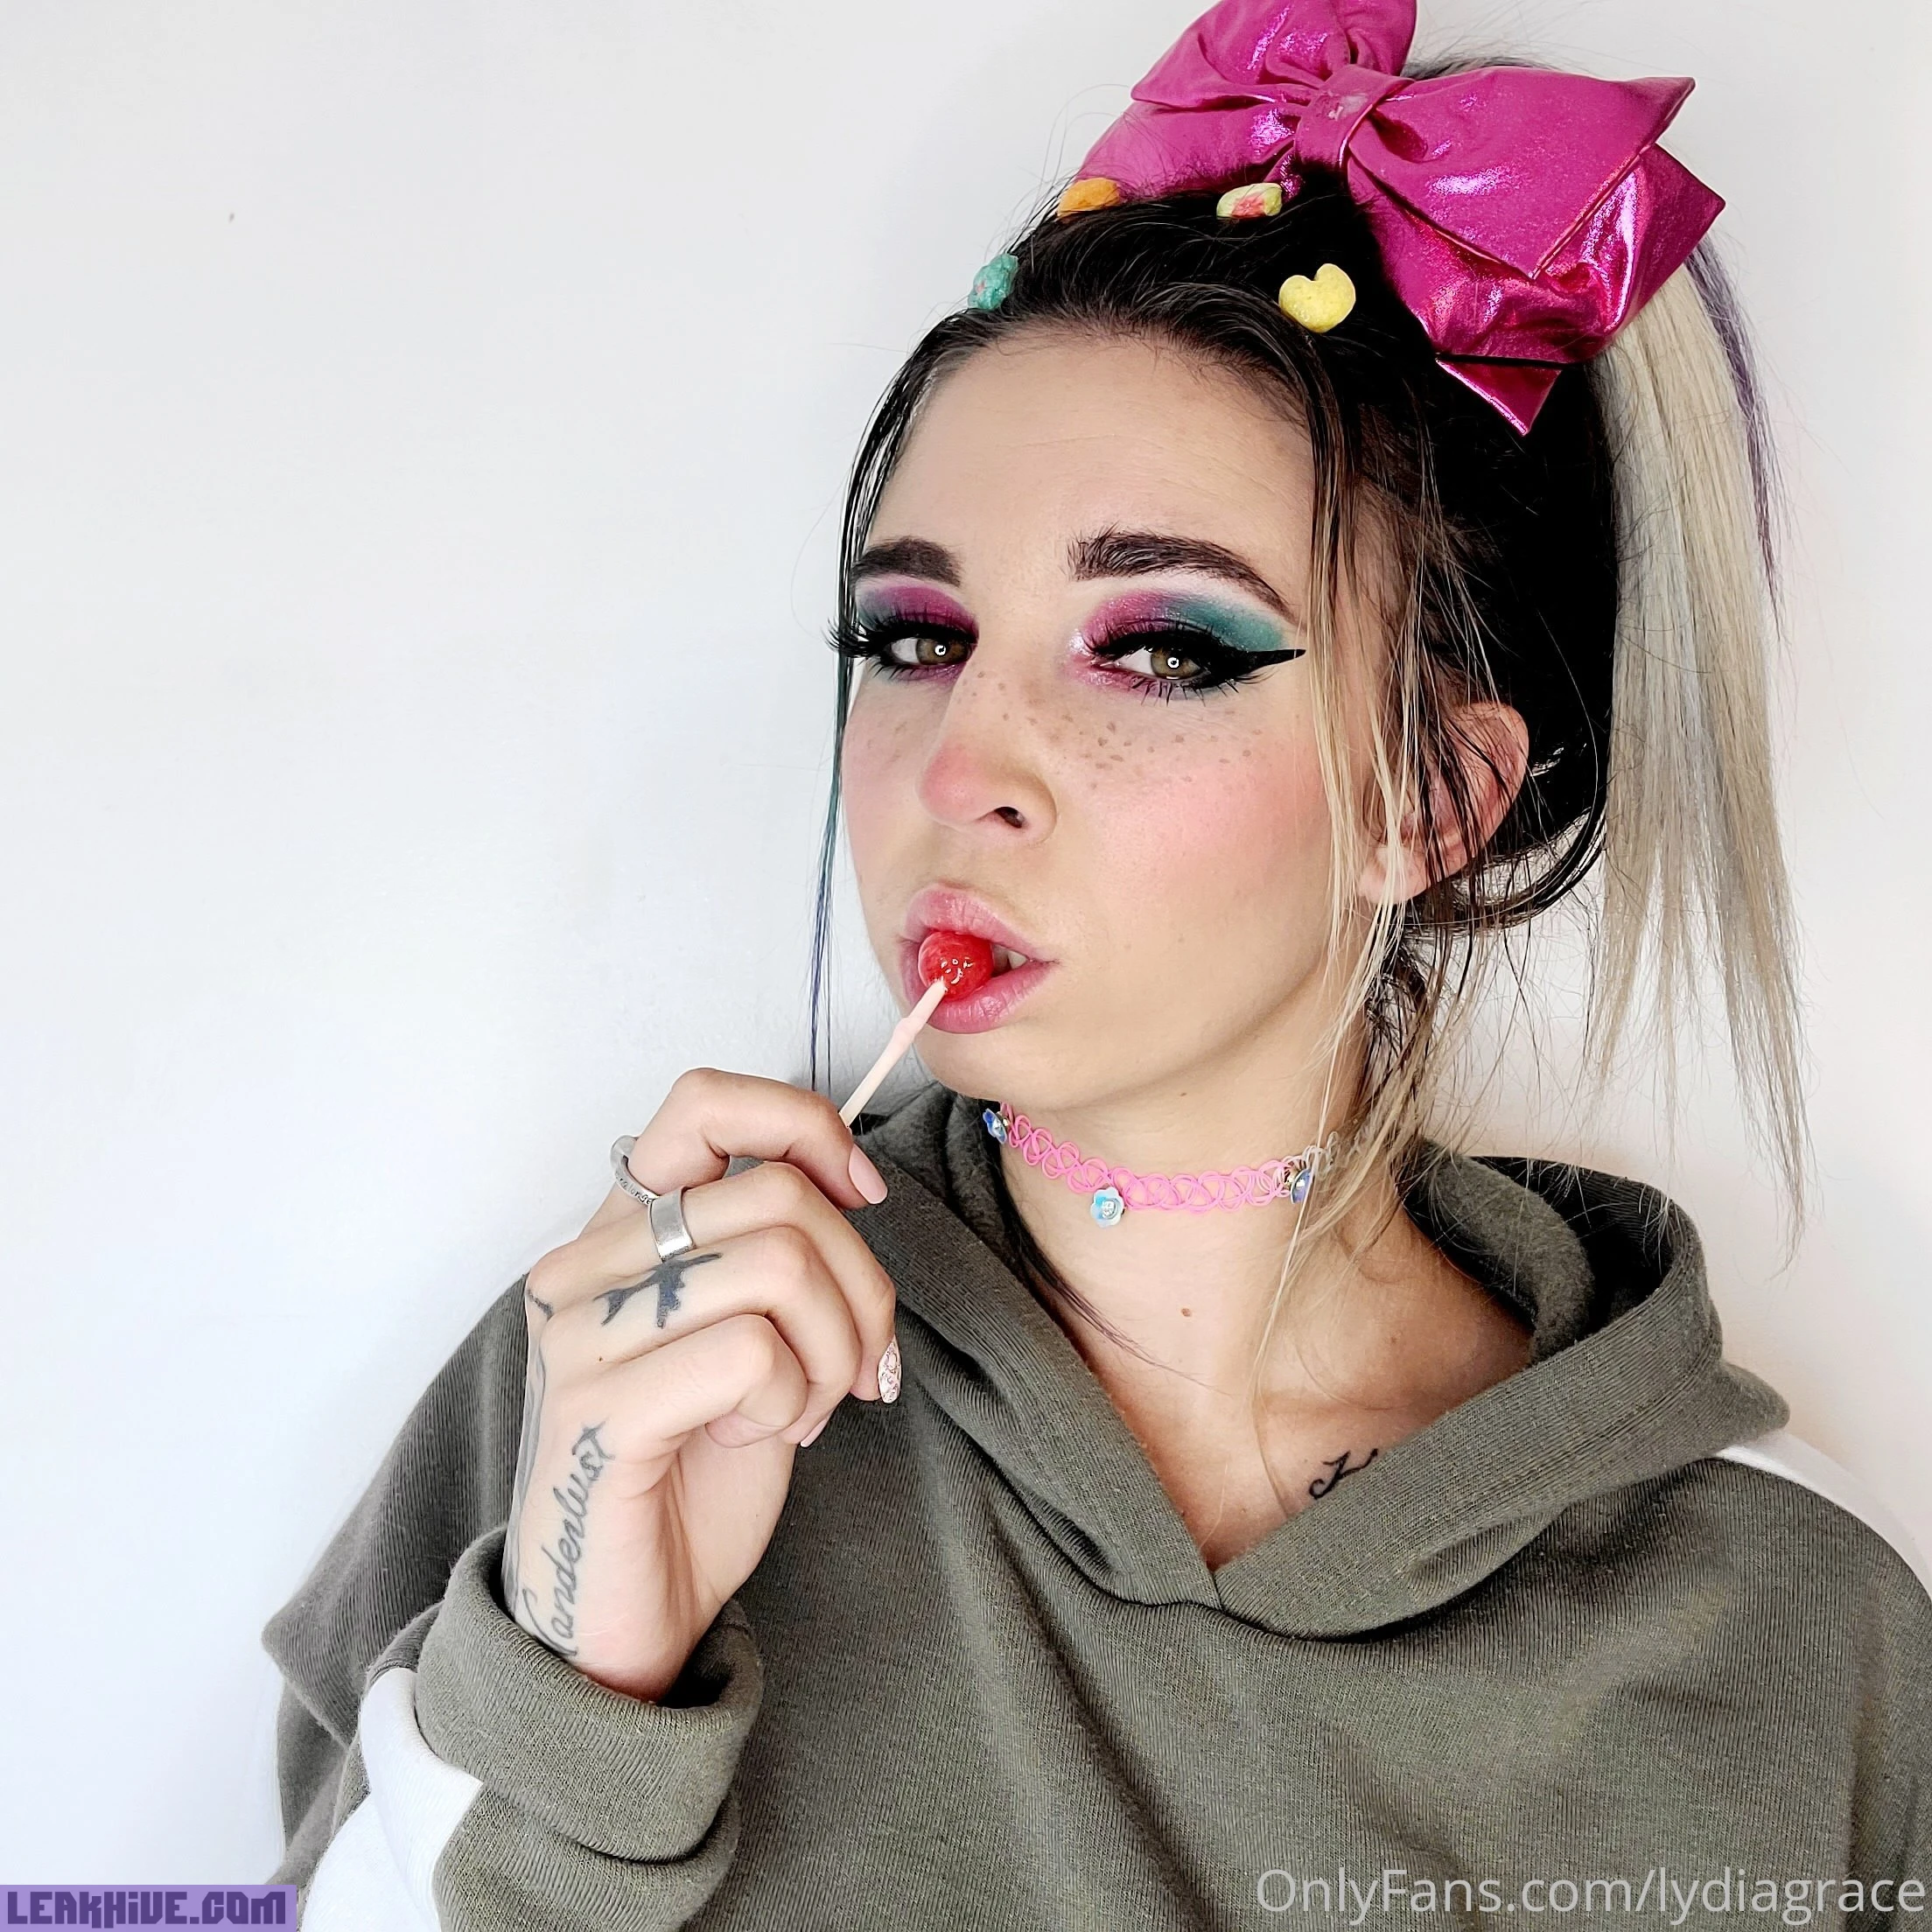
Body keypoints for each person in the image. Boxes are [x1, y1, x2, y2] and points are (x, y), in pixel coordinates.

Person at [264, 1, 1931, 1925]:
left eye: (1159, 649)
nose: (958, 768)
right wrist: (572, 1691)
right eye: (913, 638)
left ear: (1433, 797)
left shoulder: (1806, 1631)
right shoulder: (621, 1374)